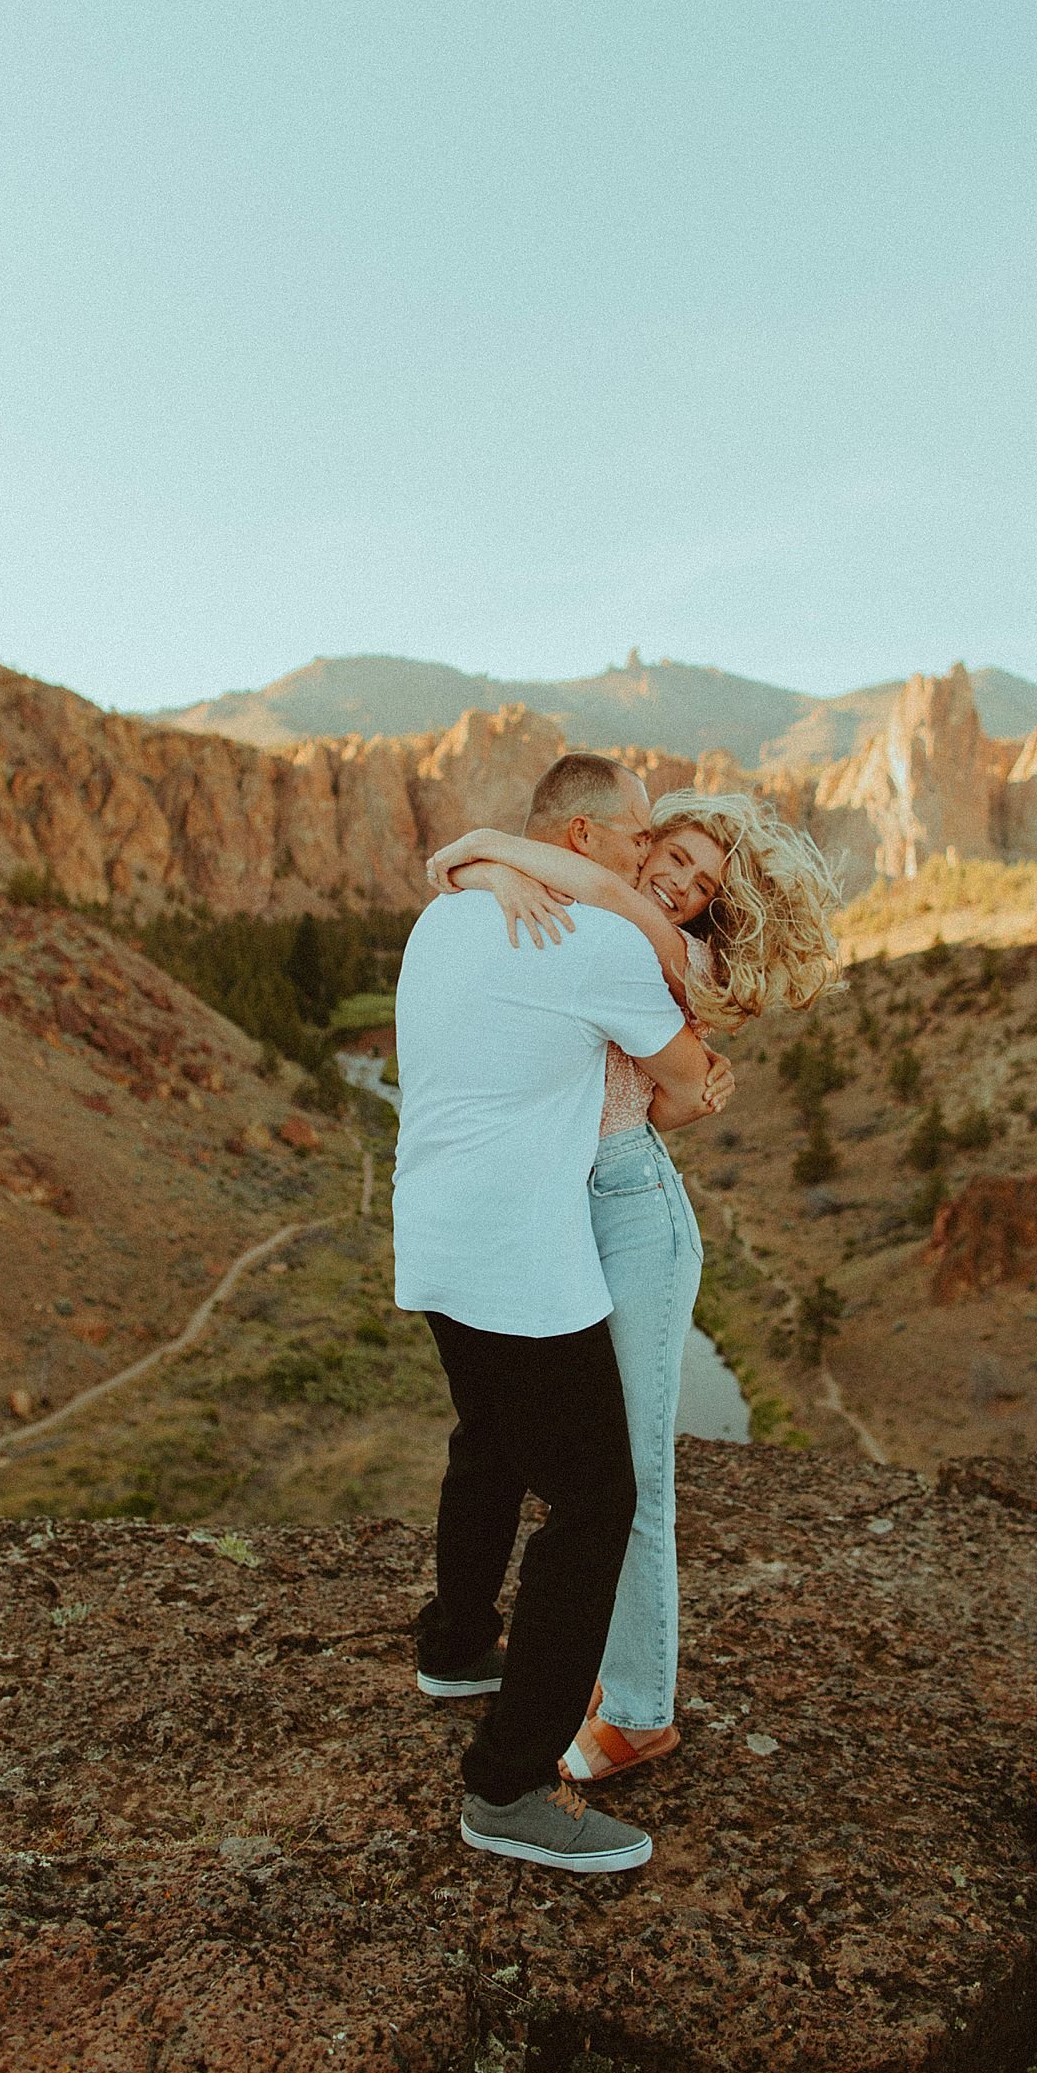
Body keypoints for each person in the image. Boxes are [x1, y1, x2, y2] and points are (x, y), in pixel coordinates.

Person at [427, 788, 840, 1781]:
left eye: (702, 886)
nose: (679, 883)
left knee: (631, 1475)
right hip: (574, 1202)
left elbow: (613, 902)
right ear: (648, 841)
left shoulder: (664, 945)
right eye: (677, 856)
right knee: (573, 1459)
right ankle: (595, 1662)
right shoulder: (604, 919)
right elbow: (660, 1099)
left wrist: (480, 850)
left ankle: (644, 1710)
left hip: (631, 1219)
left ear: (708, 914)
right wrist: (482, 873)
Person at [393, 754, 731, 1874]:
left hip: (432, 1243)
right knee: (596, 1501)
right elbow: (686, 1082)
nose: (651, 856)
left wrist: (479, 856)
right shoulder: (596, 949)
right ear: (583, 837)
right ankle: (510, 1786)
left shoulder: (442, 917)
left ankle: (455, 1646)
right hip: (522, 1265)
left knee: (489, 1441)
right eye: (640, 836)